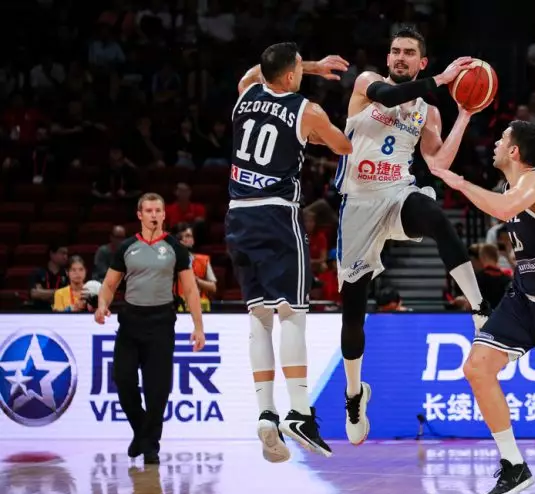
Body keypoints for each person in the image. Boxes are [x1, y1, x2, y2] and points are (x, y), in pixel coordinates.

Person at [430, 120, 535, 494]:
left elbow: (504, 209)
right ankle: (513, 464)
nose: (495, 144)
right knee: (476, 368)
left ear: (515, 151)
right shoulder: (514, 186)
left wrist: (458, 182)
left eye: (502, 139)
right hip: (523, 297)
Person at [336, 25, 489, 446]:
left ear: (421, 61)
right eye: (395, 51)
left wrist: (464, 115)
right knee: (353, 311)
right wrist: (442, 78)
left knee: (434, 214)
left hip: (397, 195)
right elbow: (388, 97)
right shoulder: (369, 84)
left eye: (408, 52)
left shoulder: (427, 112)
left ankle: (480, 308)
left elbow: (438, 164)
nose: (400, 57)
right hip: (358, 204)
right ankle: (354, 393)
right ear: (388, 58)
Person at [227, 42, 351, 462]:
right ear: (290, 75)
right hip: (277, 215)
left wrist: (309, 66)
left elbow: (255, 72)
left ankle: (266, 413)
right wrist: (315, 132)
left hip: (237, 216)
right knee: (292, 314)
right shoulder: (307, 109)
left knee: (259, 317)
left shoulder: (246, 93)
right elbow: (342, 146)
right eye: (299, 66)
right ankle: (299, 412)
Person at [95, 193, 206, 464]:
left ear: (164, 215)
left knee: (157, 389)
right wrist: (102, 305)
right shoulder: (127, 247)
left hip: (161, 322)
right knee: (123, 380)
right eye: (149, 210)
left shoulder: (175, 248)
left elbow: (191, 290)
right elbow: (109, 284)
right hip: (130, 321)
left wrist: (198, 327)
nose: (154, 215)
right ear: (140, 215)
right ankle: (141, 431)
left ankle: (150, 446)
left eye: (158, 210)